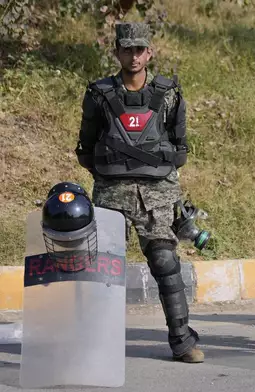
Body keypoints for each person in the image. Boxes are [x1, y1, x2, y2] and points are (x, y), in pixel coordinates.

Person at [74, 22, 204, 363]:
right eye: (127, 49)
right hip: (110, 192)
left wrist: (158, 178)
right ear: (116, 51)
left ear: (150, 52)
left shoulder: (170, 93)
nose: (133, 56)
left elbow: (179, 147)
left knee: (165, 262)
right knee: (101, 268)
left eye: (140, 49)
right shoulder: (99, 94)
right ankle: (95, 344)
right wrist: (110, 175)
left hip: (158, 194)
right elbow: (86, 147)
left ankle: (182, 342)